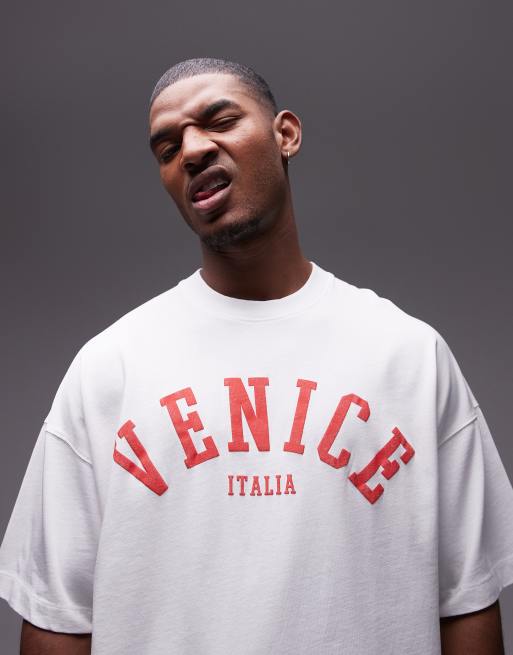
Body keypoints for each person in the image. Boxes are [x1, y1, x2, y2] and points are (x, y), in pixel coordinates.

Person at [1, 56, 512, 655]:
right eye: (167, 148)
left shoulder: (409, 356)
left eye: (219, 121)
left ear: (285, 134)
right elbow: (56, 618)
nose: (192, 151)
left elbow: (467, 601)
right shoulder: (108, 369)